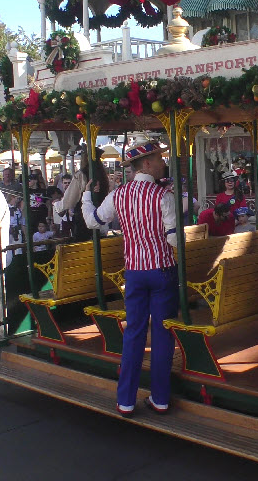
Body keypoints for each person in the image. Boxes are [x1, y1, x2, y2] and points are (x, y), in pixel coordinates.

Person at [82, 140, 179, 416]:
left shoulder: (119, 194)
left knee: (134, 334)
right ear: (146, 163)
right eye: (159, 158)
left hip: (135, 273)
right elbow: (173, 239)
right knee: (161, 335)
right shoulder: (163, 196)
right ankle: (160, 399)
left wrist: (87, 197)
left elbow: (93, 222)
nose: (163, 162)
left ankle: (125, 400)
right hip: (162, 271)